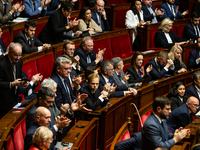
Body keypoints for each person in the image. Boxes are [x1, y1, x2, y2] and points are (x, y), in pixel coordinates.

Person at [0, 43, 29, 119]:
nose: (18, 58)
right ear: (9, 53)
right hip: (3, 101)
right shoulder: (1, 64)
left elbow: (19, 75)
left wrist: (25, 81)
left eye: (20, 55)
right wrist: (11, 84)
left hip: (14, 96)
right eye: (15, 55)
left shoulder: (19, 61)